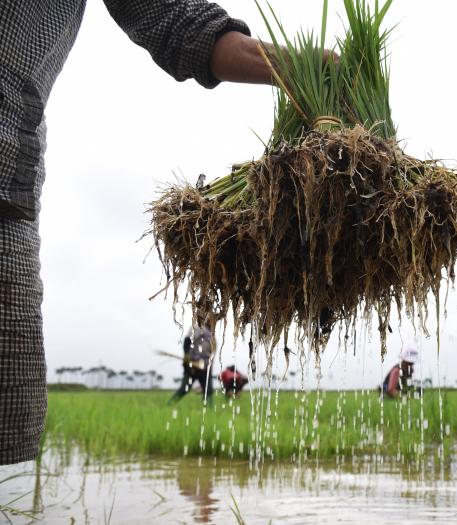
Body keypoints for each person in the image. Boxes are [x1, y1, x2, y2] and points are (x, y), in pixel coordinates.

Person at [0, 2, 334, 465]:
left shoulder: (203, 332)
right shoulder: (201, 334)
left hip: (6, 195)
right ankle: (191, 403)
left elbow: (175, 20)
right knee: (192, 387)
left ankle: (193, 403)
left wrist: (302, 67)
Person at [170, 326, 214, 404]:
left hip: (205, 367)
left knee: (208, 390)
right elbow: (187, 340)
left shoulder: (211, 334)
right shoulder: (198, 327)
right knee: (185, 388)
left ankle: (208, 410)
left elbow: (211, 353)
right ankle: (170, 404)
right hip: (192, 365)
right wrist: (187, 355)